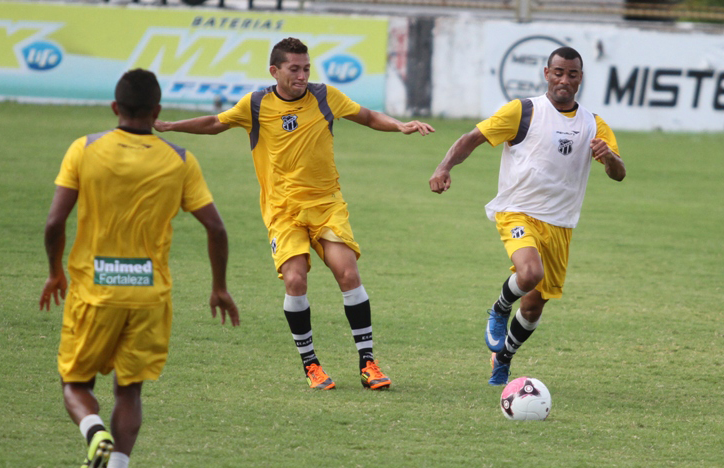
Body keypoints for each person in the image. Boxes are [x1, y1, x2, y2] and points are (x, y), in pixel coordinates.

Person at [155, 37, 433, 390]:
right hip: (283, 211)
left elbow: (366, 115)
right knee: (295, 280)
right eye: (294, 69)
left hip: (326, 205)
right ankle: (311, 364)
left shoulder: (324, 97)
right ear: (275, 71)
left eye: (306, 68)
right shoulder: (256, 105)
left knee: (348, 273)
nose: (302, 76)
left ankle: (368, 363)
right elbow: (215, 122)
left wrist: (399, 125)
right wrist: (169, 126)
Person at [39, 68, 239, 468]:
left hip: (95, 291)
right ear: (157, 112)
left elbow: (54, 222)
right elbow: (216, 228)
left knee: (75, 383)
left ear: (115, 108)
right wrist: (219, 286)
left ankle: (94, 434)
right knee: (129, 391)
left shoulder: (85, 149)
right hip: (150, 296)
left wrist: (56, 271)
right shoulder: (180, 159)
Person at [428, 46, 625, 385]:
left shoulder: (593, 124)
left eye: (572, 74)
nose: (564, 79)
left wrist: (608, 156)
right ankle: (500, 308)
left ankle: (503, 358)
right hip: (517, 211)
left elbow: (619, 173)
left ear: (580, 79)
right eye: (558, 72)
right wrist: (444, 166)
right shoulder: (524, 111)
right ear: (547, 73)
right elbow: (473, 138)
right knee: (529, 273)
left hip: (560, 224)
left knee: (533, 308)